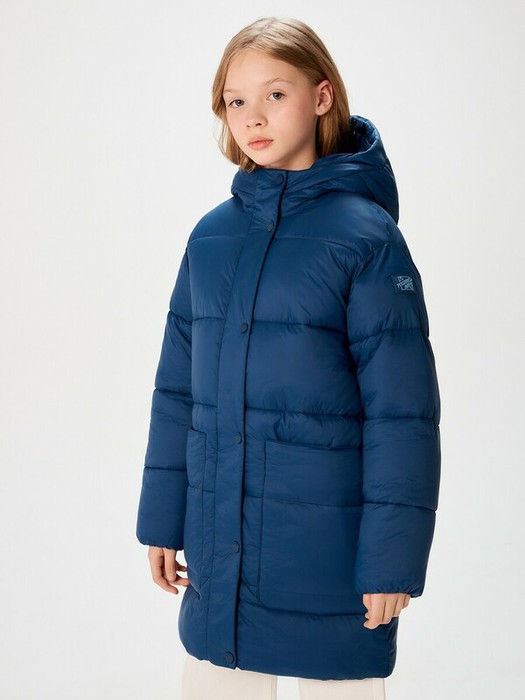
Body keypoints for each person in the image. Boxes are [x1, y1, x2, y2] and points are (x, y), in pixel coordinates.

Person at [135, 15, 441, 700]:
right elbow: (177, 391)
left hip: (329, 551)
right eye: (235, 100)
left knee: (339, 685)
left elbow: (402, 415)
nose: (253, 116)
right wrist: (163, 518)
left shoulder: (367, 239)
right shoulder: (210, 238)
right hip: (220, 544)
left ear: (321, 96)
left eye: (275, 94)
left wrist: (392, 561)